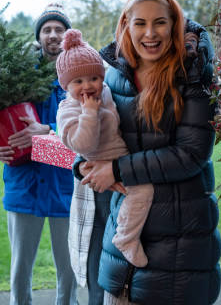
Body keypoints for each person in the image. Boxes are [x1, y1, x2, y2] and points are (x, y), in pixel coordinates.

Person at [77, 0, 221, 305]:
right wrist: (83, 163)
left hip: (181, 247)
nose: (150, 33)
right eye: (140, 23)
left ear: (174, 24)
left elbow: (190, 154)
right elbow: (94, 129)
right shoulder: (113, 75)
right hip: (123, 241)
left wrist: (115, 168)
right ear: (127, 24)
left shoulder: (194, 74)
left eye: (160, 22)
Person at [0, 4, 78, 305]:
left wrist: (46, 130)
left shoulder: (78, 75)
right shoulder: (16, 76)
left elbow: (85, 134)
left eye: (58, 30)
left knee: (70, 266)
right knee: (20, 265)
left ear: (67, 35)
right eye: (46, 30)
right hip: (24, 185)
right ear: (39, 36)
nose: (52, 35)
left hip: (66, 187)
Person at [55, 28, 154, 302]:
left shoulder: (107, 91)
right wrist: (89, 114)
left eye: (94, 78)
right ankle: (126, 238)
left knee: (140, 193)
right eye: (78, 81)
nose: (88, 86)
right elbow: (82, 145)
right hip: (99, 170)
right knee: (97, 248)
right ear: (65, 85)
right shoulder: (71, 109)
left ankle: (126, 235)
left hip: (120, 163)